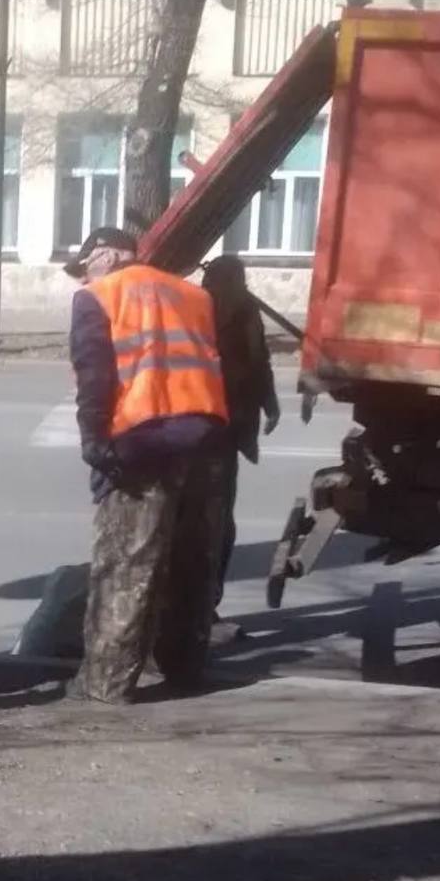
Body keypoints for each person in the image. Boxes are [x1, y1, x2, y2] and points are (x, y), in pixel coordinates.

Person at [64, 228, 230, 704]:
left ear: (111, 254)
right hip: (205, 442)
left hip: (142, 445)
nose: (84, 275)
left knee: (126, 568)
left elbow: (94, 374)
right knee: (192, 564)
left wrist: (95, 442)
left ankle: (104, 686)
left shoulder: (99, 297)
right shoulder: (193, 294)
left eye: (87, 263)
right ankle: (185, 668)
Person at [200, 255, 280, 607]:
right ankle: (205, 601)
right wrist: (269, 403)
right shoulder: (239, 310)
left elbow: (258, 359)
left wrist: (269, 402)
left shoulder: (205, 309)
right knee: (215, 519)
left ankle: (203, 603)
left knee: (208, 520)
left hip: (207, 426)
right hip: (221, 427)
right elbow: (259, 360)